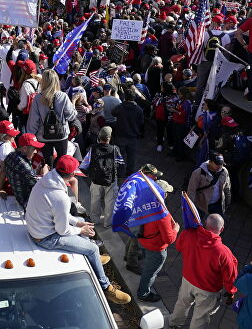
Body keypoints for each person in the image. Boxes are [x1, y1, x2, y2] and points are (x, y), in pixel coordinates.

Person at [24, 155, 130, 305]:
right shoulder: (60, 197)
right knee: (93, 248)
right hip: (46, 238)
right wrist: (81, 231)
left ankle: (94, 260)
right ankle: (106, 288)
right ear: (72, 174)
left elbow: (60, 215)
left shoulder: (46, 181)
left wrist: (79, 225)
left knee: (81, 221)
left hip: (38, 228)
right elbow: (62, 231)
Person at [167, 214, 238, 329]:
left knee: (182, 304)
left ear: (205, 224)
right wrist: (231, 291)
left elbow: (179, 247)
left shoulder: (188, 234)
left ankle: (174, 324)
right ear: (222, 229)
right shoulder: (224, 252)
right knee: (200, 316)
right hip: (208, 289)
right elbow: (230, 275)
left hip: (187, 280)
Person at [135, 166, 178, 303]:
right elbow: (169, 239)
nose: (167, 195)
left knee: (147, 263)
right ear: (162, 194)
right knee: (150, 272)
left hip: (143, 240)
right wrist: (176, 229)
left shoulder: (144, 202)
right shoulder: (162, 214)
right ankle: (143, 293)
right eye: (166, 192)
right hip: (155, 247)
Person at [26, 69, 78, 168]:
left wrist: (31, 136)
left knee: (47, 163)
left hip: (43, 135)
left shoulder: (38, 98)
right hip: (61, 135)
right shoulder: (63, 96)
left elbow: (33, 121)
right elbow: (71, 116)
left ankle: (48, 179)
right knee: (62, 161)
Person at [81, 126, 122, 228]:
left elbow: (84, 164)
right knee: (110, 201)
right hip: (111, 180)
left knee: (95, 199)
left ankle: (94, 220)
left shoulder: (93, 149)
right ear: (109, 138)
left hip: (96, 180)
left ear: (99, 137)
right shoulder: (115, 149)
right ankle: (108, 223)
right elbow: (120, 163)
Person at [0, 132, 45, 210]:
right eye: (34, 149)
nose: (36, 152)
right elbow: (39, 187)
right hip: (28, 201)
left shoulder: (10, 155)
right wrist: (45, 174)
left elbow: (3, 172)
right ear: (25, 149)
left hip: (18, 193)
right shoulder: (24, 166)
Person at [186, 152, 231, 218]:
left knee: (215, 224)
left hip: (217, 204)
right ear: (210, 162)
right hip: (201, 205)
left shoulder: (224, 171)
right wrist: (191, 209)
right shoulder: (198, 173)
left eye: (221, 164)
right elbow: (191, 191)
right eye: (217, 164)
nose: (220, 166)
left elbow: (227, 187)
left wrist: (227, 202)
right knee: (197, 225)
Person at [111, 91, 144, 172]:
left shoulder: (120, 107)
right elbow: (141, 123)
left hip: (121, 135)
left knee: (120, 155)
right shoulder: (138, 109)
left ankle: (120, 171)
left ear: (125, 98)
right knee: (131, 156)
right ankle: (130, 171)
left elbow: (113, 112)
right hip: (133, 136)